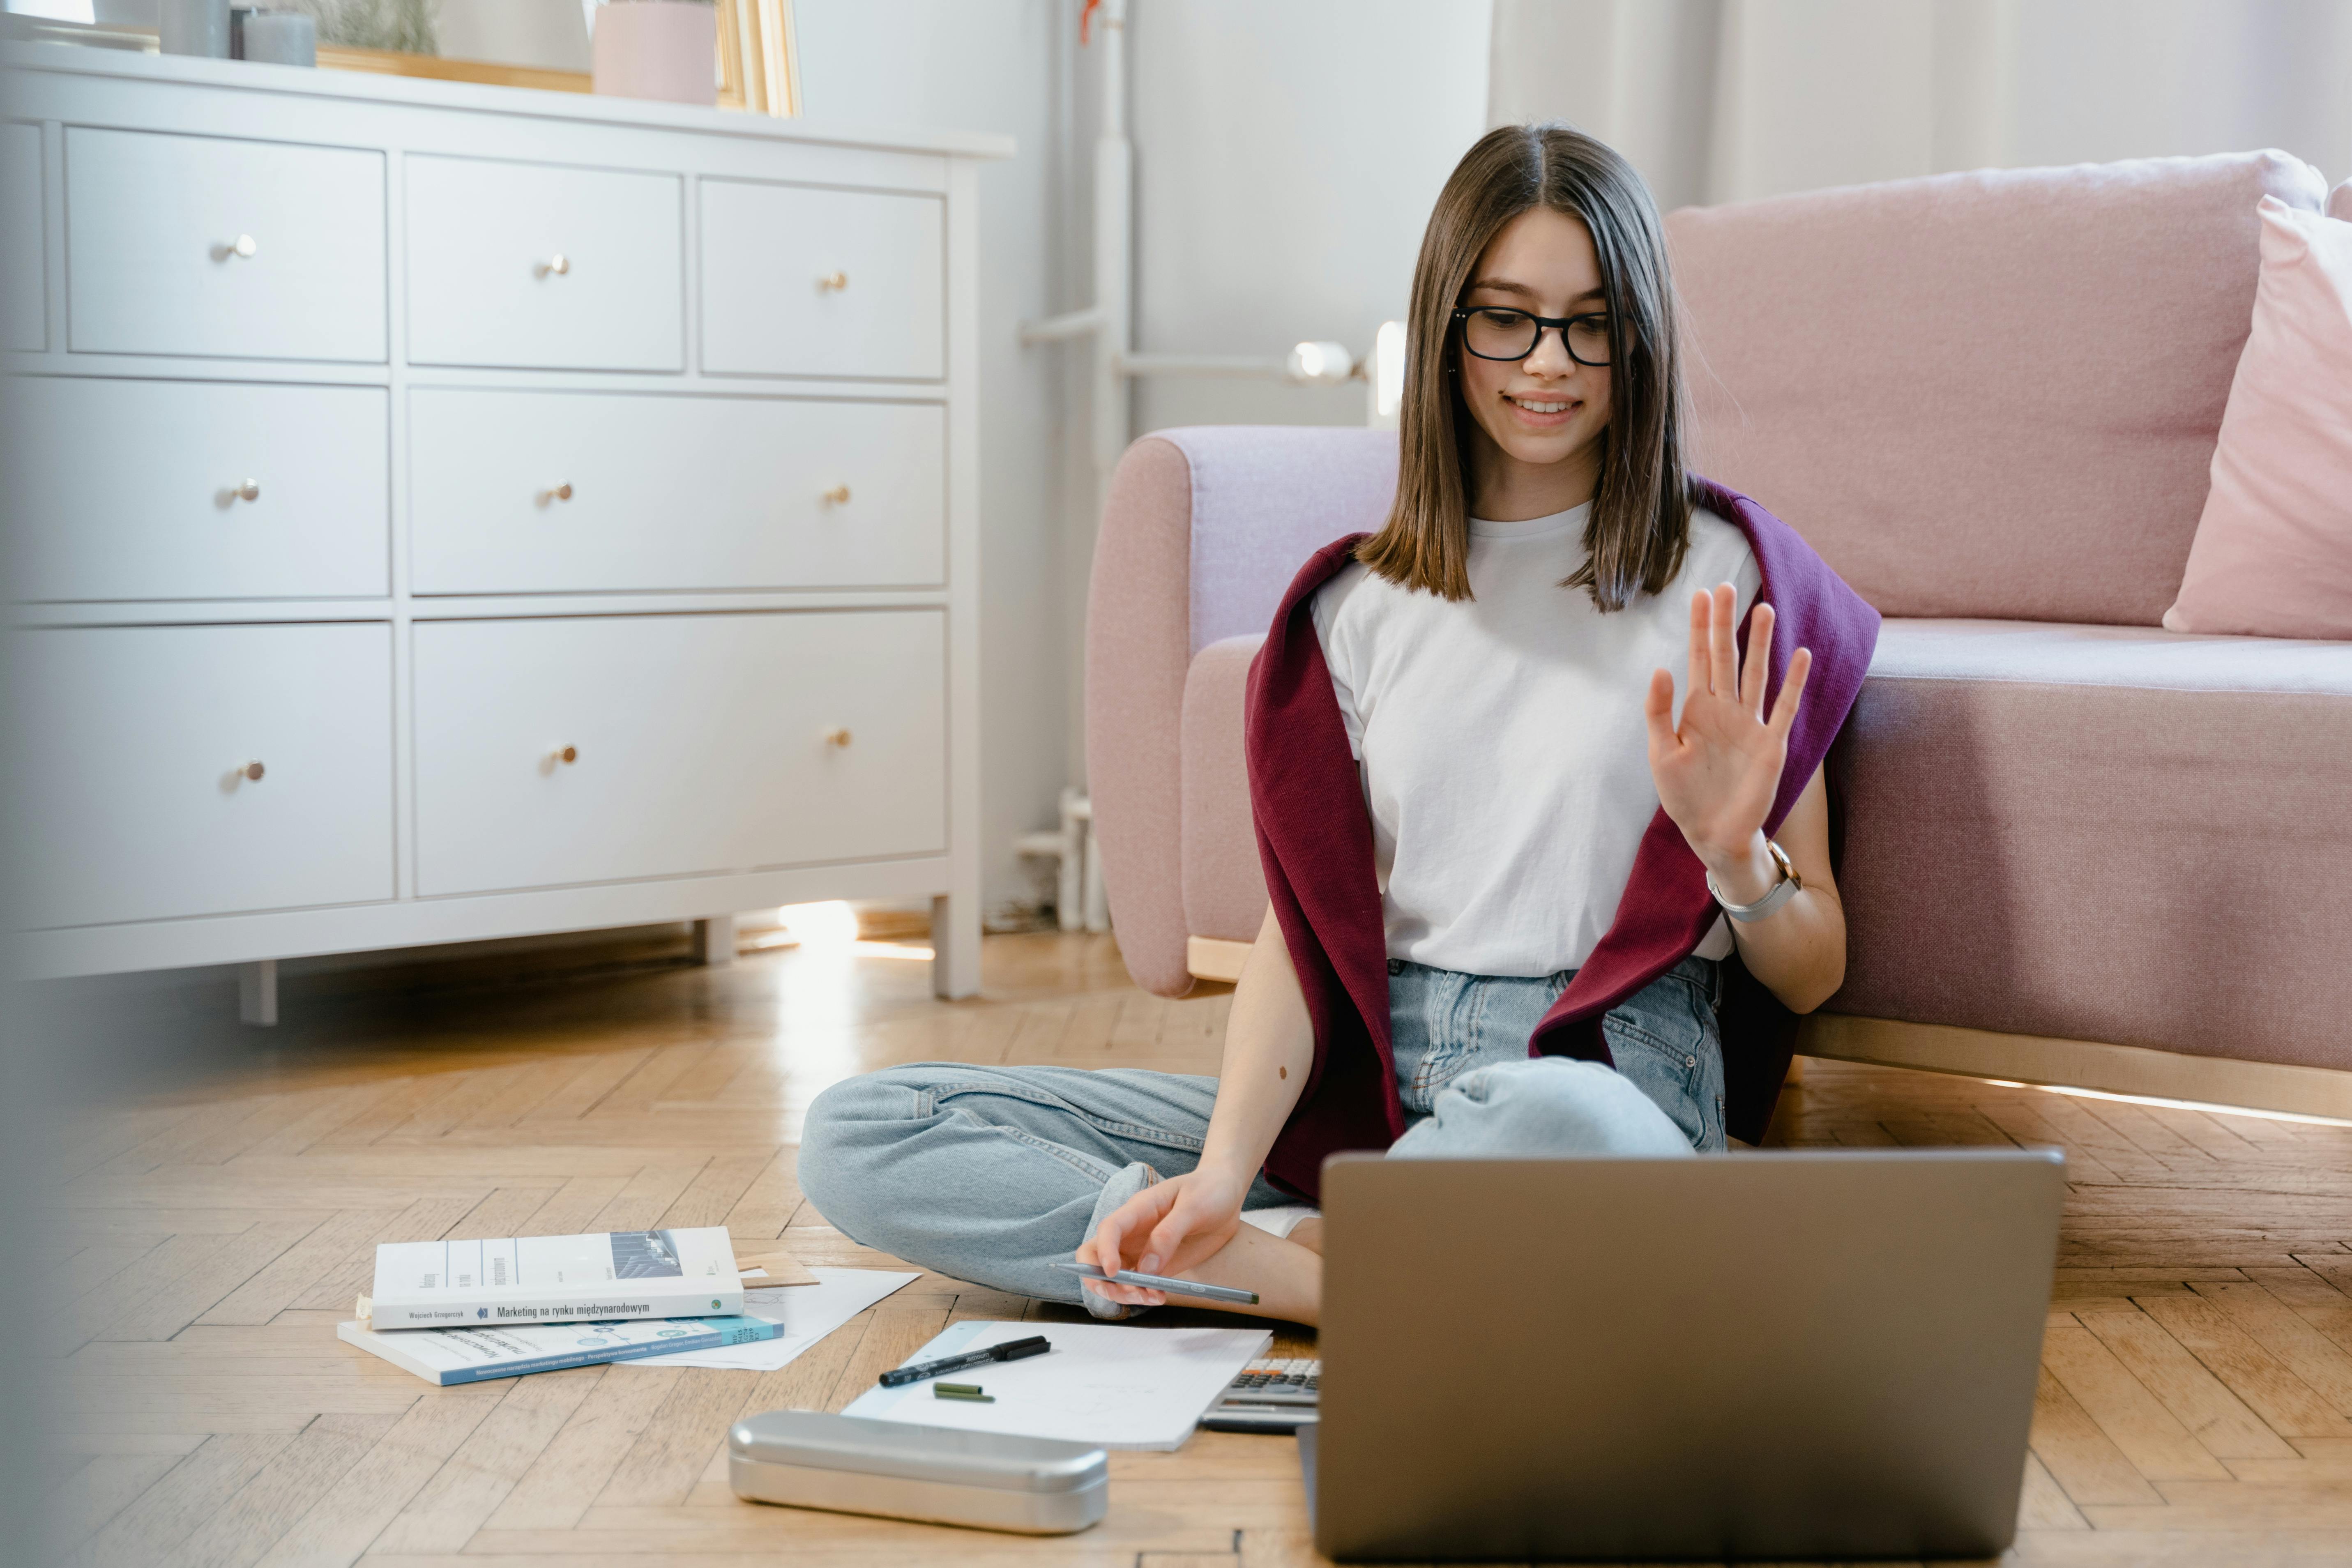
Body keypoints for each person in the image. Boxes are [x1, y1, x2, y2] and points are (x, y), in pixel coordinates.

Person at [798, 123, 1878, 1328]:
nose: (1548, 362)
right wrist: (1217, 1171)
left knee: (1567, 1125)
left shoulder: (1733, 577)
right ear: (1445, 325)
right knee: (865, 1129)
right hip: (1369, 1083)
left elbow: (1814, 960)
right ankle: (1268, 1253)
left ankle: (1277, 1275)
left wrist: (1740, 861)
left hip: (1604, 1080)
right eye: (1505, 316)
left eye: (1592, 322)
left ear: (1641, 334)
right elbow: (1301, 941)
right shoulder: (1363, 604)